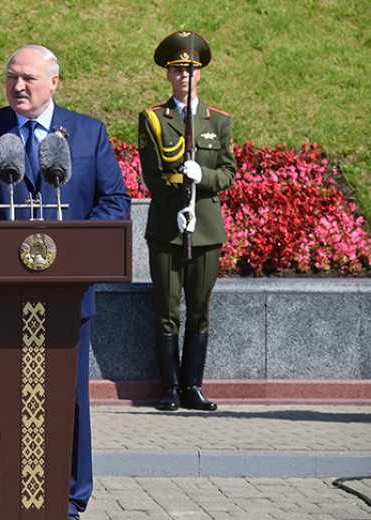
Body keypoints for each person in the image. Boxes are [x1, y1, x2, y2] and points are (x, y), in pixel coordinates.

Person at [0, 44, 130, 520]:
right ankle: (3, 500)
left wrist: (74, 247)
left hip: (67, 292)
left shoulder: (87, 134)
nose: (18, 86)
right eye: (11, 77)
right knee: (0, 399)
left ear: (53, 82)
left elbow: (114, 201)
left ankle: (68, 502)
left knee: (69, 400)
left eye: (28, 78)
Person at [137, 31, 236, 411]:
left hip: (207, 227)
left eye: (191, 70)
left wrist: (204, 178)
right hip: (167, 225)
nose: (185, 77)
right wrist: (174, 203)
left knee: (199, 307)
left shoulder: (219, 121)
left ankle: (193, 385)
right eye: (177, 70)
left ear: (201, 74)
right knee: (167, 308)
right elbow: (152, 173)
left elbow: (227, 172)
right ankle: (170, 387)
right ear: (167, 75)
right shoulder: (152, 119)